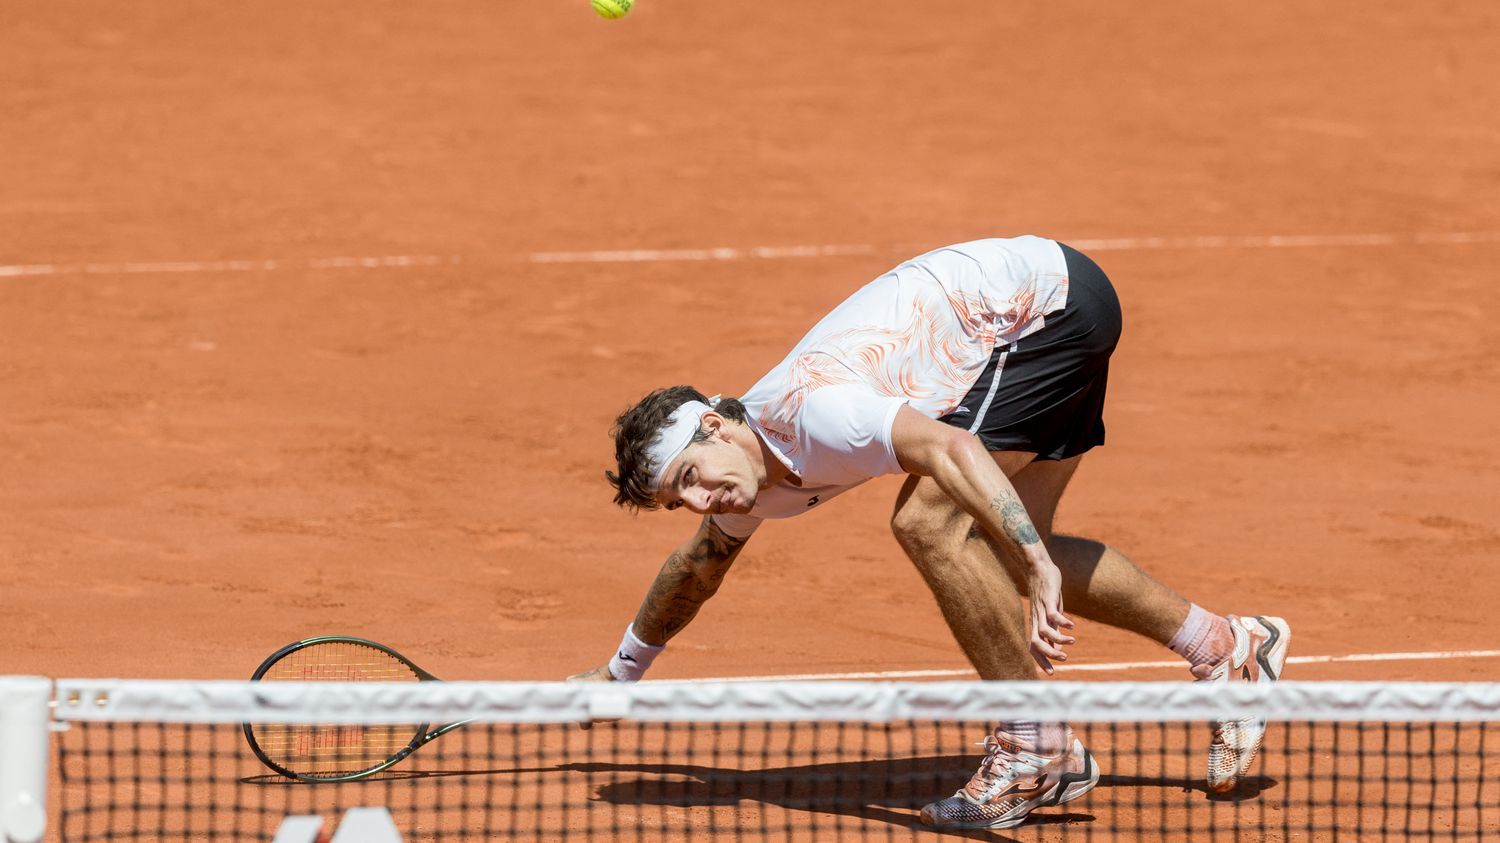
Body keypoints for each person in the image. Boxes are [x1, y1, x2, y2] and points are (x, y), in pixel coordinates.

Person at [569, 235, 1291, 830]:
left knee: (929, 523)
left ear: (716, 423)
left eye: (692, 473)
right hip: (1037, 312)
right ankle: (1228, 648)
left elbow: (952, 451)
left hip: (1044, 309)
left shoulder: (815, 413)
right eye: (680, 497)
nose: (700, 500)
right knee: (998, 547)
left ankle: (1035, 744)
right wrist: (617, 675)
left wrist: (1037, 563)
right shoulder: (743, 478)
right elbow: (697, 568)